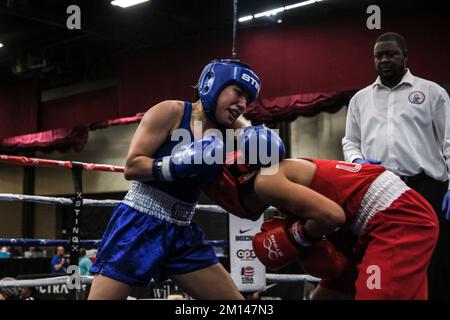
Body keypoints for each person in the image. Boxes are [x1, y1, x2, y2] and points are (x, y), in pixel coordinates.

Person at [88, 59, 284, 300]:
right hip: (138, 222)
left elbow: (263, 153)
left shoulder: (234, 127)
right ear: (213, 84)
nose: (242, 104)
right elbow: (132, 166)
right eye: (239, 93)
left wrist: (264, 147)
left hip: (182, 231)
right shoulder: (171, 112)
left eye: (248, 99)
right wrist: (176, 164)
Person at [203, 152, 438, 299]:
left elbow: (331, 216)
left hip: (396, 216)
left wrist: (294, 238)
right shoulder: (274, 173)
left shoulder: (266, 182)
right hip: (363, 225)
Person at [341, 32, 450, 299]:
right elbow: (350, 142)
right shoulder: (360, 99)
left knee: (433, 264)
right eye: (379, 56)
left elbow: (449, 141)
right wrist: (357, 162)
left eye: (391, 54)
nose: (385, 60)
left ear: (405, 57)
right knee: (380, 257)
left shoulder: (431, 92)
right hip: (378, 189)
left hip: (426, 188)